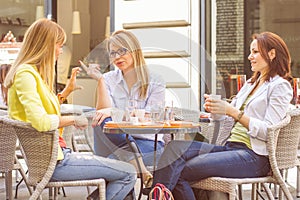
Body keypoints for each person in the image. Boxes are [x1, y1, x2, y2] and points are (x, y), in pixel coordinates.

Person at [147, 31, 293, 199]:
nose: (249, 56)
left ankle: (156, 195)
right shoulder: (251, 84)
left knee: (178, 169)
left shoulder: (280, 87)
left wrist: (232, 111)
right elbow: (227, 119)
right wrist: (216, 111)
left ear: (272, 54)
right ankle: (157, 195)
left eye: (255, 52)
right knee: (174, 149)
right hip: (230, 147)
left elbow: (268, 132)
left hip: (254, 157)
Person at [4, 19, 136, 200]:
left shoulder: (29, 73)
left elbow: (45, 112)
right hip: (56, 163)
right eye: (59, 45)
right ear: (46, 45)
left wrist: (67, 91)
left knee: (118, 169)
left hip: (59, 157)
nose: (60, 51)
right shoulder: (25, 75)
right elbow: (41, 121)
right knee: (128, 173)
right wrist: (73, 119)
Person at [81, 29, 166, 187]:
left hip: (147, 144)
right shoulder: (108, 79)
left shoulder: (156, 81)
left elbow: (150, 120)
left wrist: (116, 113)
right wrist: (100, 81)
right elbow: (103, 116)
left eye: (122, 51)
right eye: (113, 53)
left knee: (112, 166)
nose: (117, 57)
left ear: (135, 50)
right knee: (103, 119)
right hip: (111, 143)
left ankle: (96, 197)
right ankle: (141, 169)